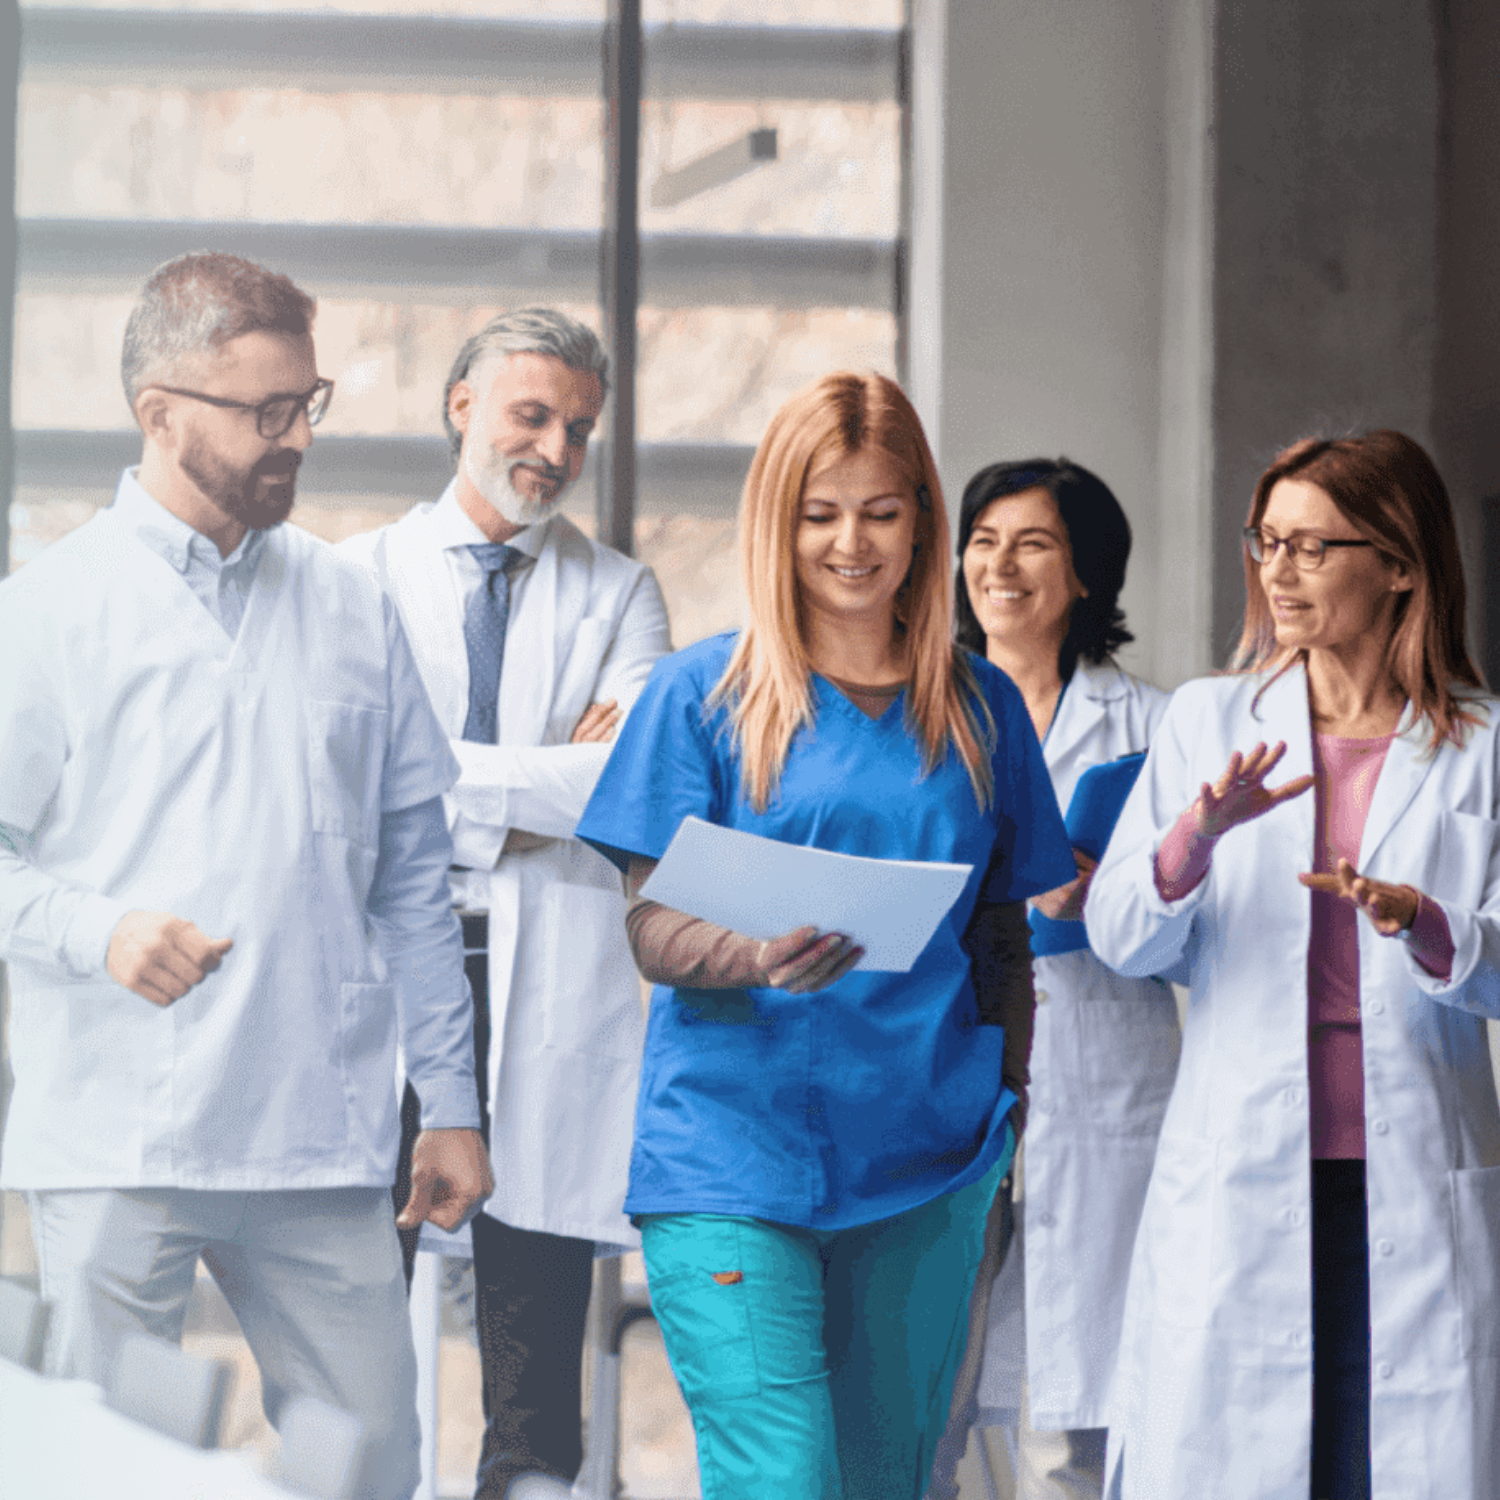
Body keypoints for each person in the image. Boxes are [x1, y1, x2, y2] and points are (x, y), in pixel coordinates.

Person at [0, 251, 491, 1500]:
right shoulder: (46, 616)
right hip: (118, 1137)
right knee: (93, 1478)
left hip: (318, 1141)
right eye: (263, 412)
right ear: (158, 413)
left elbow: (412, 883)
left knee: (380, 1468)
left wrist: (450, 1101)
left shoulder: (349, 605)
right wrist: (96, 931)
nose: (296, 441)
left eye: (307, 405)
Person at [574, 371, 1077, 1500]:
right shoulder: (700, 695)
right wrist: (752, 957)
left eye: (882, 512)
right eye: (820, 513)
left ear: (921, 522)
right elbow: (650, 926)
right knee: (783, 1477)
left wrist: (1004, 1122)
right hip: (730, 1152)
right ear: (777, 521)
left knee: (886, 1481)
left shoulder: (981, 708)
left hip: (929, 1163)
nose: (852, 543)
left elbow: (1004, 941)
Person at [1085, 430, 1500, 1500]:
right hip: (1242, 1169)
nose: (1279, 570)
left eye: (1314, 548)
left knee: (1386, 1466)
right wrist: (1196, 836)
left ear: (1401, 561)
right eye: (1267, 543)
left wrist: (1423, 919)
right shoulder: (1211, 721)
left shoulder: (1482, 745)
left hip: (1409, 1177)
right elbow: (1122, 933)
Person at [340, 307, 671, 1499]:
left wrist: (426, 777)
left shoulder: (622, 594)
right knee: (349, 1332)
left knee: (534, 1370)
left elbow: (626, 793)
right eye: (533, 415)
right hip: (390, 982)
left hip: (547, 992)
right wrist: (536, 789)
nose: (557, 448)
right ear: (461, 406)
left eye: (579, 428)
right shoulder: (355, 578)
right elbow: (342, 785)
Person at [927, 460, 1180, 1500]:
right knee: (930, 1383)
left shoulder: (1161, 726)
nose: (1001, 564)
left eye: (1032, 542)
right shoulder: (920, 710)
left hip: (1098, 1061)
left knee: (1078, 1411)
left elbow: (1196, 916)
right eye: (983, 541)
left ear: (1085, 572)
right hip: (947, 1057)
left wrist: (1112, 896)